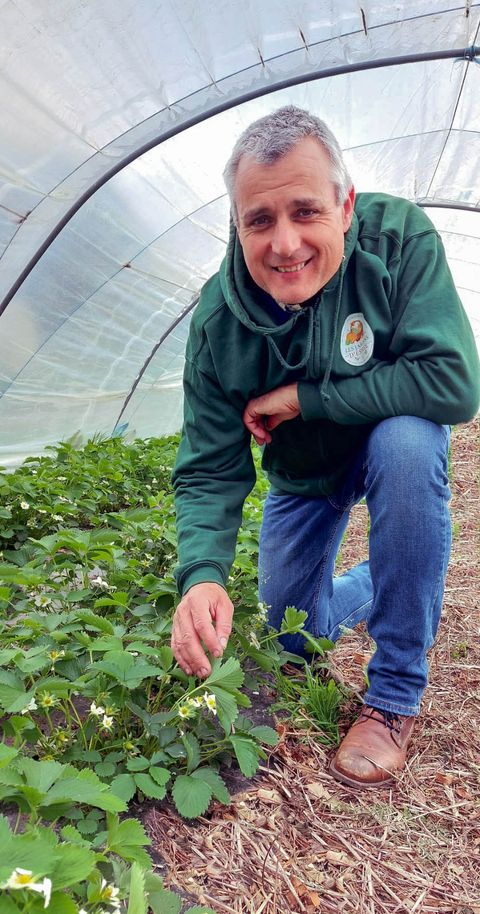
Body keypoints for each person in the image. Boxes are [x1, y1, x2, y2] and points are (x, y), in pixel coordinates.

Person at [170, 105, 479, 788]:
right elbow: (209, 467)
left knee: (407, 442)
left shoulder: (398, 242)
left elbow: (454, 383)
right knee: (289, 634)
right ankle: (381, 579)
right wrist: (200, 576)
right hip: (305, 473)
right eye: (260, 220)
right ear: (238, 224)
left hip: (385, 442)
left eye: (305, 212)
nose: (284, 244)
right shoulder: (220, 320)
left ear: (345, 206)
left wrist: (306, 398)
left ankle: (395, 695)